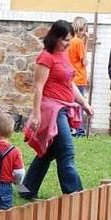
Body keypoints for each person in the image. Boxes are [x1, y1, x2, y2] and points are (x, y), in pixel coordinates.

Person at [20, 20, 94, 200]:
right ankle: (76, 195)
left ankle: (26, 189)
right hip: (51, 110)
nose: (69, 43)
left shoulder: (63, 55)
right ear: (56, 37)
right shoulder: (46, 57)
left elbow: (69, 83)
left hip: (64, 108)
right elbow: (39, 87)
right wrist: (36, 114)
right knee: (67, 152)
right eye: (66, 40)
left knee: (48, 152)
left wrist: (84, 103)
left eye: (70, 39)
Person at [66, 17, 88, 135]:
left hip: (70, 77)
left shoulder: (69, 41)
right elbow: (84, 61)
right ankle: (79, 129)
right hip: (79, 76)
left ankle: (72, 127)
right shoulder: (78, 42)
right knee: (80, 103)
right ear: (81, 28)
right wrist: (86, 42)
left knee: (71, 103)